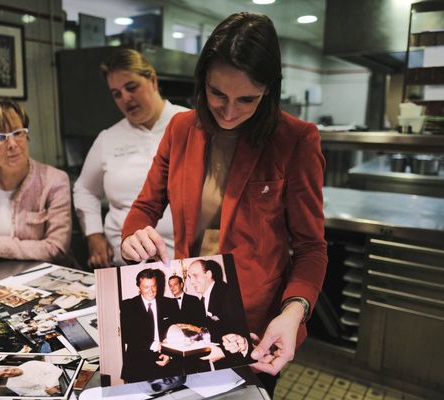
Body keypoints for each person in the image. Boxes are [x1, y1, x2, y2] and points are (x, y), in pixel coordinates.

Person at [120, 12, 327, 394]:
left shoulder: (295, 140)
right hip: (184, 309)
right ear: (202, 83)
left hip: (256, 324)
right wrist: (133, 234)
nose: (230, 112)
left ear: (269, 90)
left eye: (247, 99)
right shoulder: (181, 129)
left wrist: (293, 311)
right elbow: (145, 207)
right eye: (218, 94)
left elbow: (312, 248)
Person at [73, 49, 188, 268]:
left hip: (184, 262)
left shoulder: (188, 124)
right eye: (116, 93)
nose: (125, 98)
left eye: (131, 87)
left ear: (152, 80)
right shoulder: (109, 138)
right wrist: (94, 236)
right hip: (125, 264)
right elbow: (85, 189)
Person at [0, 98, 72, 263]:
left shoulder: (54, 180)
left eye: (17, 133)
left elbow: (56, 249)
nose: (12, 144)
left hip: (39, 278)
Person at [119, 268, 177, 383]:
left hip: (165, 362)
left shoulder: (170, 304)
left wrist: (169, 353)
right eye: (146, 287)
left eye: (153, 286)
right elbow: (127, 335)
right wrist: (156, 345)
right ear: (139, 287)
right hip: (138, 364)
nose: (151, 291)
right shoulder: (128, 306)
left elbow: (176, 331)